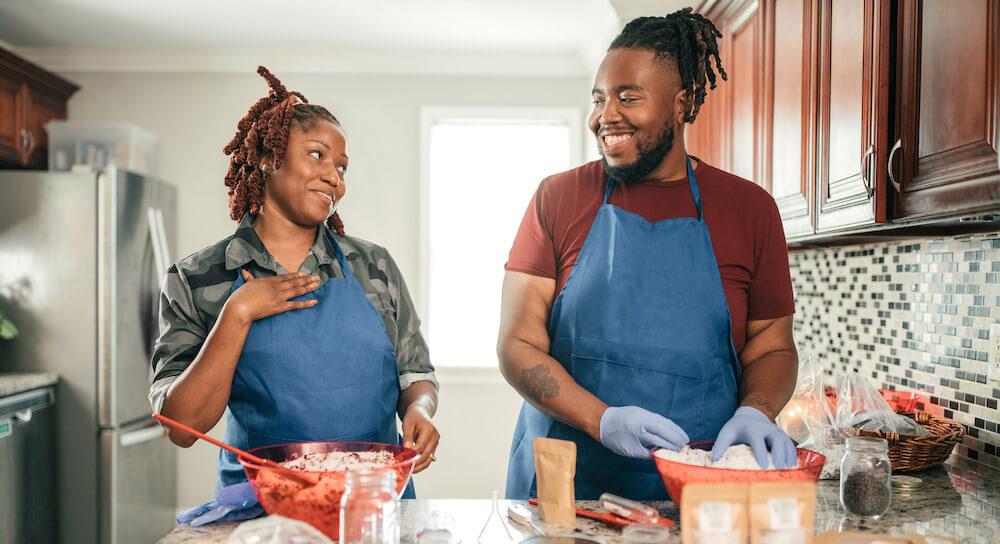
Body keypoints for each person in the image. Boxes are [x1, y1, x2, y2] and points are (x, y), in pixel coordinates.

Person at [500, 8, 798, 500]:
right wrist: (602, 420)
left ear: (681, 105)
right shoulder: (557, 198)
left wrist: (757, 410)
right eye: (599, 99)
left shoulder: (750, 209)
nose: (605, 116)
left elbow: (771, 344)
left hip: (699, 490)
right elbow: (517, 344)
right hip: (564, 489)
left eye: (628, 97)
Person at [150, 67, 440, 507]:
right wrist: (238, 312)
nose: (335, 177)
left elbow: (415, 373)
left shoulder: (372, 265)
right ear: (269, 156)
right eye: (317, 155)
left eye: (341, 167)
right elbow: (181, 425)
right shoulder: (198, 277)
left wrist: (419, 411)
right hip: (259, 511)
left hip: (372, 504)